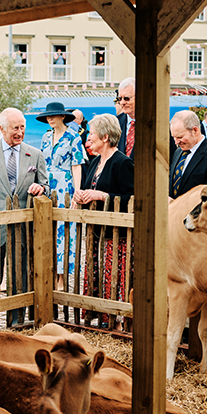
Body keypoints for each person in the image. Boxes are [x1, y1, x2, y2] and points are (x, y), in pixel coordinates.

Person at [0, 108, 48, 327]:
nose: (20, 132)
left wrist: (40, 188)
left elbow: (46, 187)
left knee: (20, 277)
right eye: (15, 128)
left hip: (23, 229)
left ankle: (17, 323)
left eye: (22, 127)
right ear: (2, 129)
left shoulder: (35, 154)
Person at [73, 114, 134, 331]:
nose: (88, 138)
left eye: (92, 134)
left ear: (105, 137)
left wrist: (102, 196)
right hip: (96, 234)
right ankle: (100, 318)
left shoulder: (123, 163)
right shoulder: (95, 162)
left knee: (116, 278)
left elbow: (132, 197)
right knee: (96, 274)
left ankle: (116, 323)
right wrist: (81, 196)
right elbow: (91, 188)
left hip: (116, 236)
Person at [38, 102, 83, 291]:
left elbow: (77, 165)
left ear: (62, 116)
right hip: (47, 186)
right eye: (48, 116)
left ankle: (61, 277)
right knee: (46, 228)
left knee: (64, 232)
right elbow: (40, 162)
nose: (50, 118)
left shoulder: (74, 137)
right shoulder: (45, 137)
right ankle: (47, 271)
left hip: (65, 186)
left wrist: (77, 193)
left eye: (54, 115)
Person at [168, 110, 207, 198]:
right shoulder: (178, 152)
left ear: (195, 130)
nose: (176, 142)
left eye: (180, 137)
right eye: (174, 137)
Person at [116, 78, 136, 159]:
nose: (122, 103)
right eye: (120, 99)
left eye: (126, 98)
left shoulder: (154, 124)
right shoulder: (115, 123)